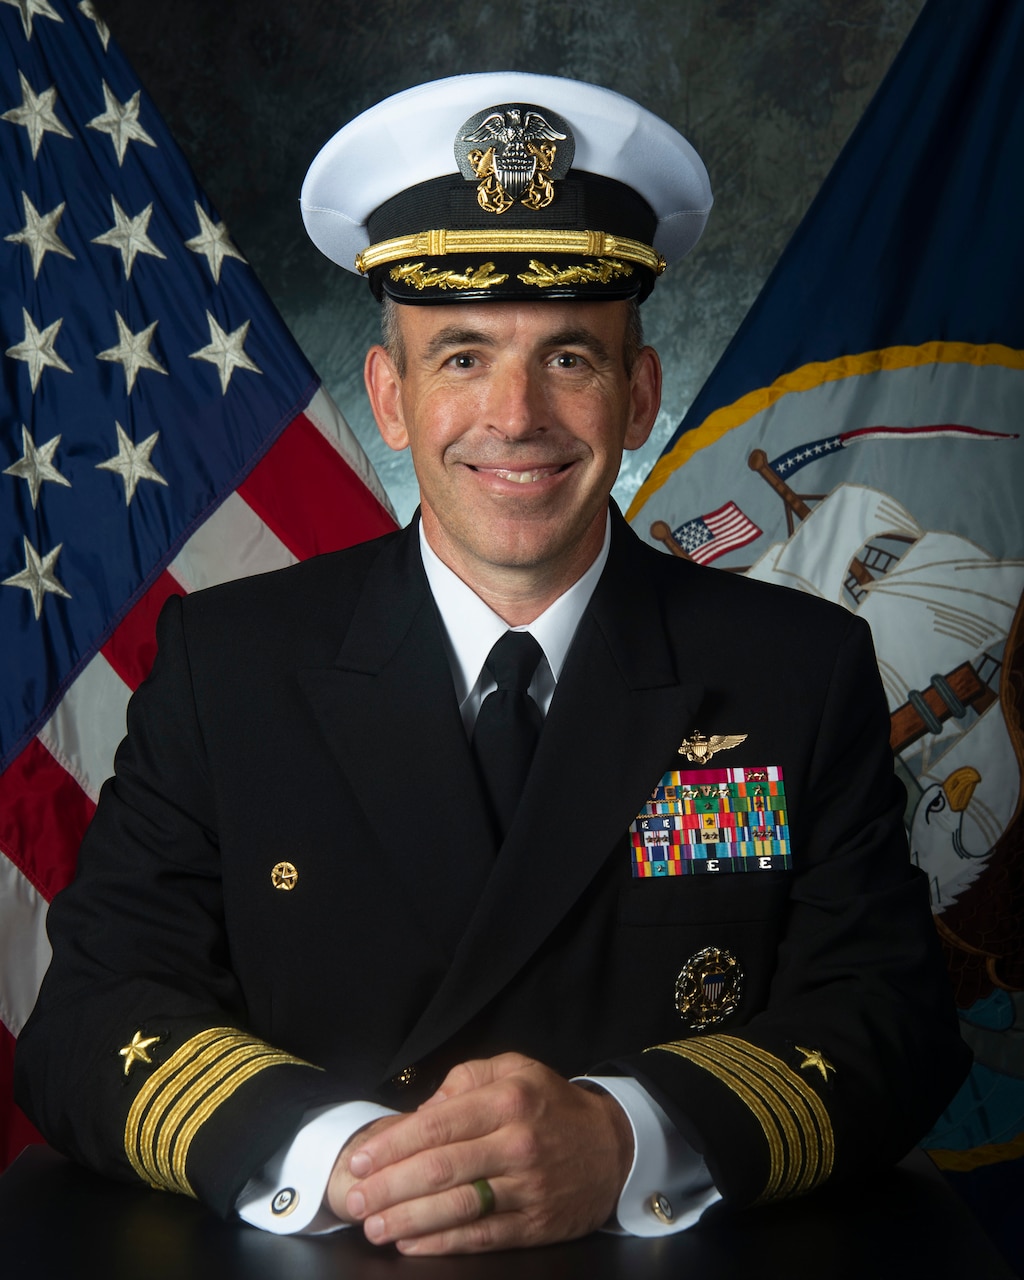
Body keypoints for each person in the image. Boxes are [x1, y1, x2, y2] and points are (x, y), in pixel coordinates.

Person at [15, 71, 968, 1256]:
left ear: (638, 395)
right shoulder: (230, 666)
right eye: (461, 356)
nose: (514, 416)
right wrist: (353, 1157)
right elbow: (90, 1017)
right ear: (390, 397)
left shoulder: (795, 668)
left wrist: (624, 1135)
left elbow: (891, 1016)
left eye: (569, 358)